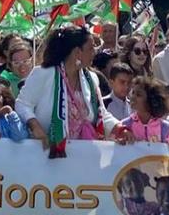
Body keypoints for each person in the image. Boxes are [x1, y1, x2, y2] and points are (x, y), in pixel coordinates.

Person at [17, 26, 118, 158]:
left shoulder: (91, 79)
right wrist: (35, 126)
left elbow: (101, 113)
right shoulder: (44, 74)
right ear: (77, 52)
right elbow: (22, 104)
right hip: (46, 154)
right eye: (90, 48)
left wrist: (119, 127)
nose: (94, 52)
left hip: (80, 157)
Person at [118, 77, 169, 145]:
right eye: (133, 93)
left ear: (151, 100)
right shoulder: (125, 125)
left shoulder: (166, 128)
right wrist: (119, 143)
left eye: (138, 95)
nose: (133, 97)